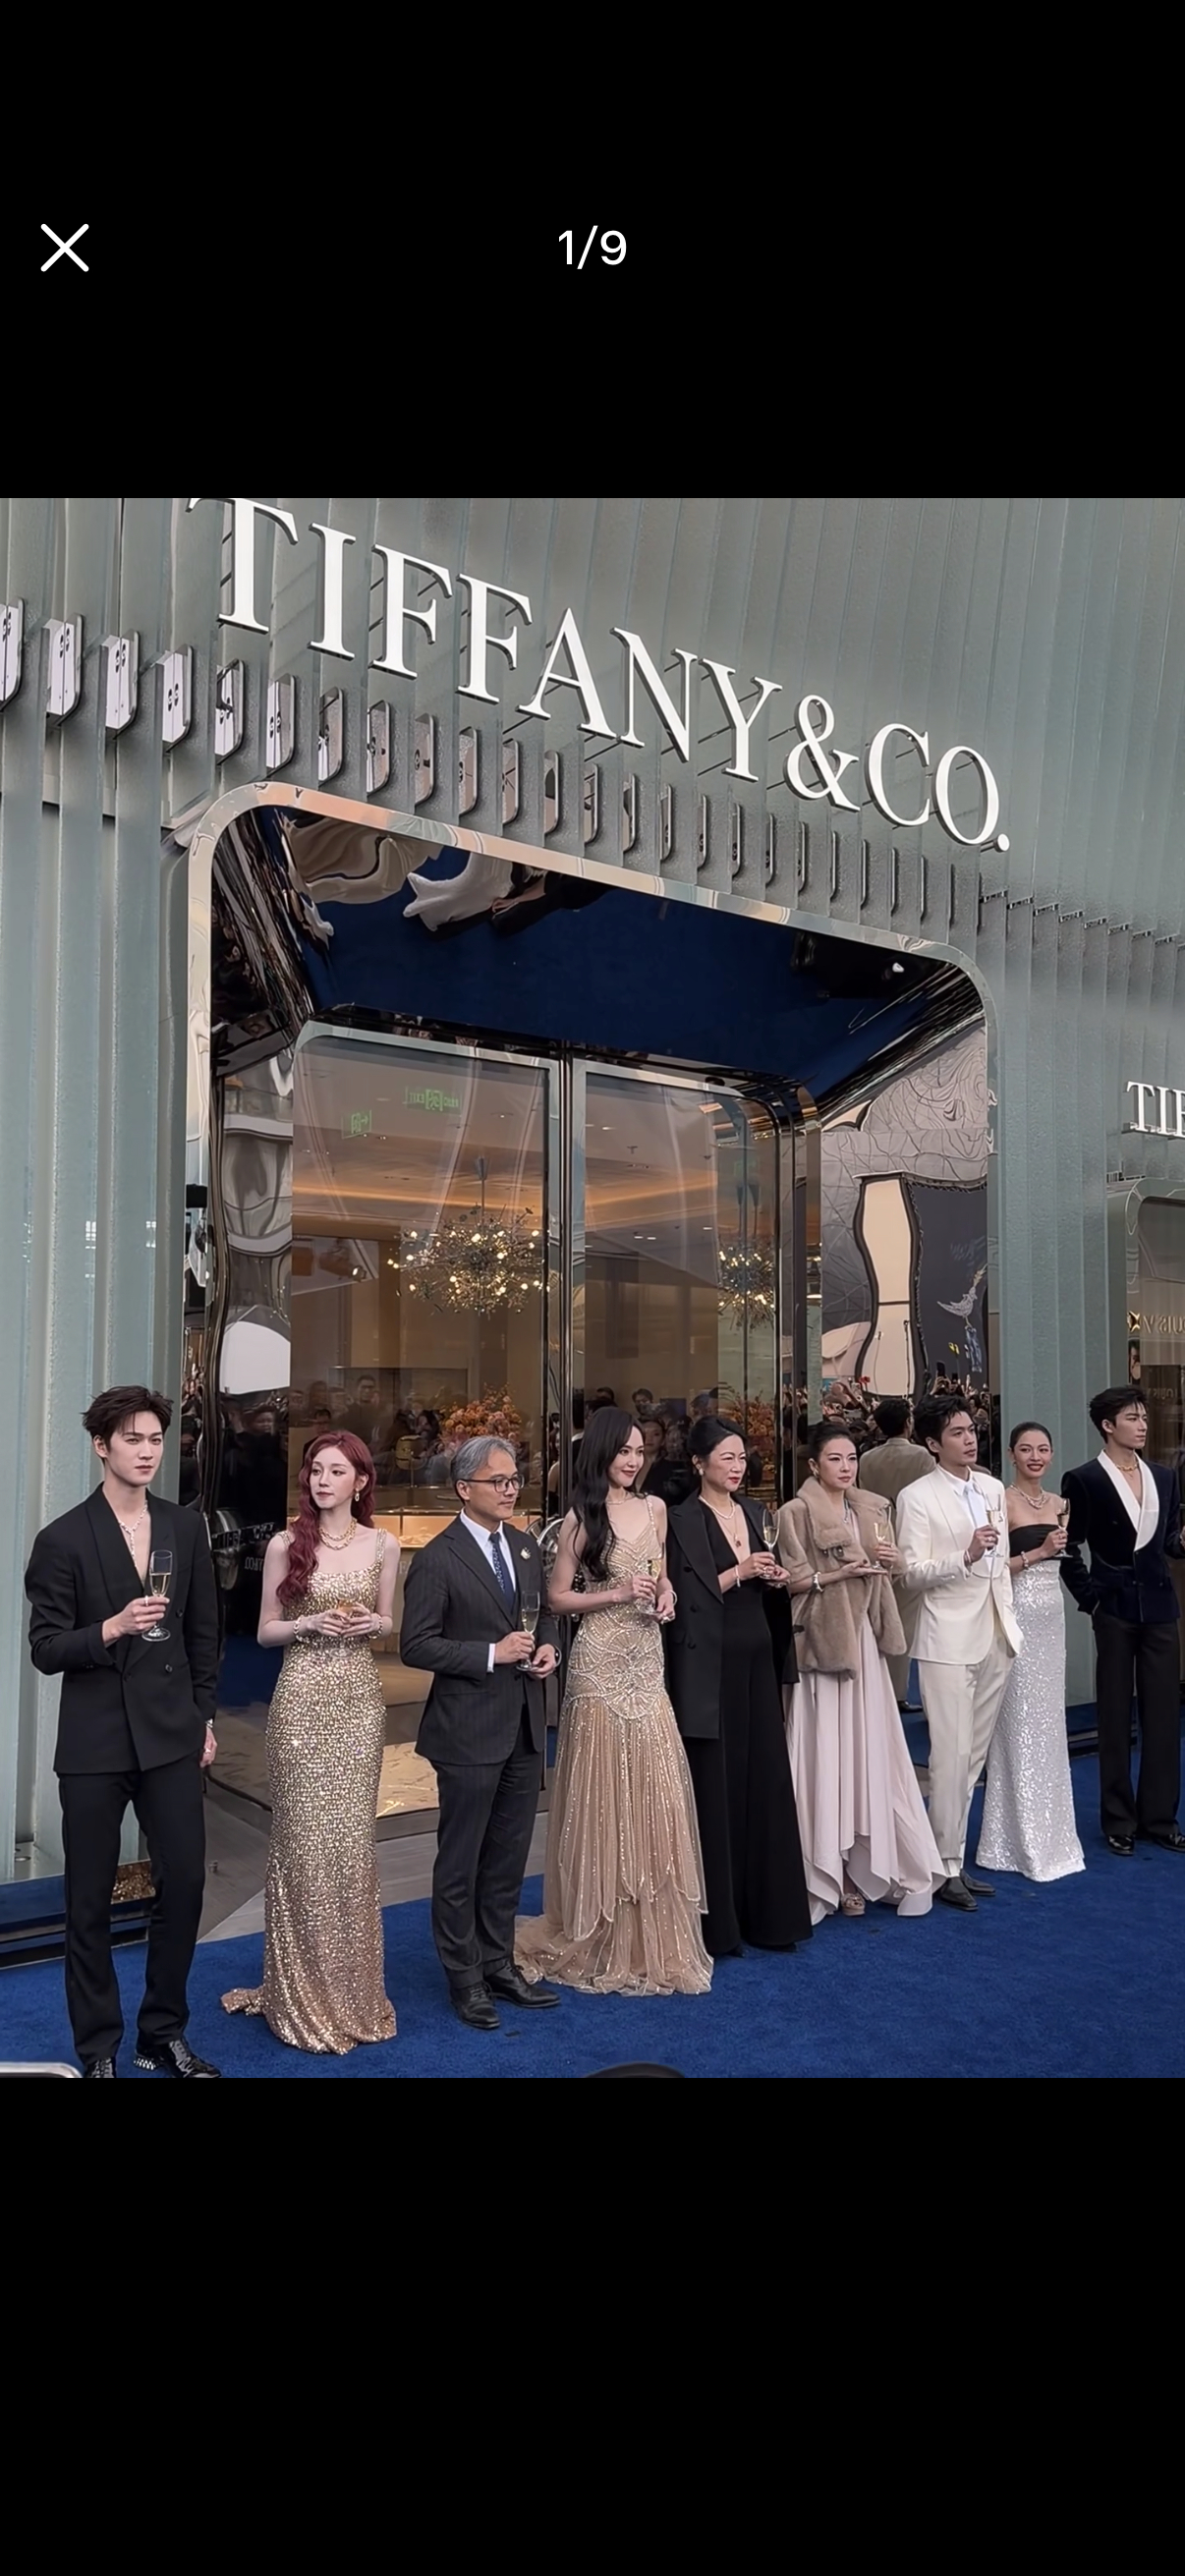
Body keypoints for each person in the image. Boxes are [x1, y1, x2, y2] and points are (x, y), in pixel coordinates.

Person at [25, 1384, 221, 2079]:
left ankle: (161, 2032)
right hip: (96, 1741)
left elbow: (204, 1636)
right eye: (132, 1439)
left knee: (186, 1884)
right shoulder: (62, 1539)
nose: (146, 1451)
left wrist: (203, 1718)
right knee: (88, 1900)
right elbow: (45, 1648)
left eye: (155, 1440)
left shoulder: (184, 1528)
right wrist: (109, 1628)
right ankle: (99, 2049)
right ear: (100, 1446)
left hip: (171, 1734)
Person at [516, 1409, 710, 1995]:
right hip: (598, 1663)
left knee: (654, 1786)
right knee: (601, 1789)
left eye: (639, 1451)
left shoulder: (656, 1509)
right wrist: (618, 1592)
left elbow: (663, 1575)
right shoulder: (581, 1518)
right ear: (601, 1454)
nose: (633, 1460)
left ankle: (650, 1933)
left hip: (646, 1658)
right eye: (623, 1451)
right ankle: (597, 1927)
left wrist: (666, 1597)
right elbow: (557, 1598)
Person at [221, 1433, 398, 2054]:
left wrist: (373, 1623)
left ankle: (350, 1993)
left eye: (336, 1471)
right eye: (316, 1470)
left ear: (360, 1481)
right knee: (301, 1844)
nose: (322, 1480)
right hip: (300, 1703)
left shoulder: (383, 1543)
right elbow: (265, 1631)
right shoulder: (284, 1544)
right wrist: (310, 1623)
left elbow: (390, 1621)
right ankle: (297, 1993)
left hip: (359, 1704)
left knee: (350, 1846)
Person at [399, 1436, 561, 2029]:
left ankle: (498, 1963)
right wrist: (491, 1654)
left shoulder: (523, 1546)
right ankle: (464, 1978)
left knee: (508, 1858)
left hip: (524, 1724)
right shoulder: (437, 1558)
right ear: (464, 1488)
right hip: (467, 1730)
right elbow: (417, 1645)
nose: (511, 1489)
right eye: (499, 1481)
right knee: (461, 1861)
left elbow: (544, 1615)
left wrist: (548, 1649)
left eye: (515, 1479)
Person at [777, 1423, 943, 1921]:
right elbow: (789, 1583)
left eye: (851, 1458)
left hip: (866, 1641)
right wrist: (837, 1574)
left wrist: (891, 1561)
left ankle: (869, 1860)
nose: (846, 1467)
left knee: (869, 1750)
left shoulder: (872, 1508)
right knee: (824, 1751)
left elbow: (890, 1572)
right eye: (835, 1459)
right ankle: (827, 1871)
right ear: (813, 1465)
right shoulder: (794, 1513)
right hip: (823, 1645)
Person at [664, 1419, 813, 1956]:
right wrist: (739, 1572)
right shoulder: (679, 1519)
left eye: (742, 1457)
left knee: (765, 1780)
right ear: (698, 1462)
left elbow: (767, 1578)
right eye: (726, 1457)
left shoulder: (755, 1512)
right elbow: (683, 1596)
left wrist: (774, 1579)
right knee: (718, 1785)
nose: (737, 1466)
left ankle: (770, 1917)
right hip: (710, 1664)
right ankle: (720, 1926)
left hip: (757, 1656)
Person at [894, 1393, 1021, 1910]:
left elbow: (1002, 1561)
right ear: (932, 1443)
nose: (969, 1439)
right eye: (957, 1433)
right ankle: (943, 1865)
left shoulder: (991, 1487)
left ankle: (950, 1858)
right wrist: (963, 1555)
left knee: (972, 1759)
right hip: (946, 1638)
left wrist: (1008, 1621)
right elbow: (909, 1573)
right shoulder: (916, 1497)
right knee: (948, 1757)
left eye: (971, 1430)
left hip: (995, 1633)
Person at [1060, 1388, 1185, 1856]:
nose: (1143, 1424)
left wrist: (1182, 1542)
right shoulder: (1084, 1479)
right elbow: (1068, 1547)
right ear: (1108, 1426)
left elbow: (1168, 1542)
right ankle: (1118, 1819)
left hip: (1160, 1608)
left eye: (1145, 1417)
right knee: (1114, 1715)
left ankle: (1160, 1818)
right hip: (1112, 1608)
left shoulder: (1164, 1477)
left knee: (1163, 1716)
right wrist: (1091, 1600)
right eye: (1133, 1418)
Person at [975, 1423, 1084, 1881]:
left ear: (1052, 1455)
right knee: (1016, 1721)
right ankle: (1010, 1841)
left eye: (1042, 1449)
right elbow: (992, 1567)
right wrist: (1038, 1553)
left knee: (1048, 1723)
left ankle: (1054, 1836)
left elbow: (1069, 1563)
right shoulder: (1001, 1501)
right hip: (1014, 1613)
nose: (1035, 1456)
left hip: (1052, 1618)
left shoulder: (1061, 1504)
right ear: (1011, 1455)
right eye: (1026, 1449)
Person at [858, 1397, 933, 1708]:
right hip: (910, 1541)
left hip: (874, 1540)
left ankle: (878, 1687)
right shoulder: (922, 1456)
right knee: (904, 1622)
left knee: (878, 1617)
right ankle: (898, 1693)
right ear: (908, 1423)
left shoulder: (867, 1459)